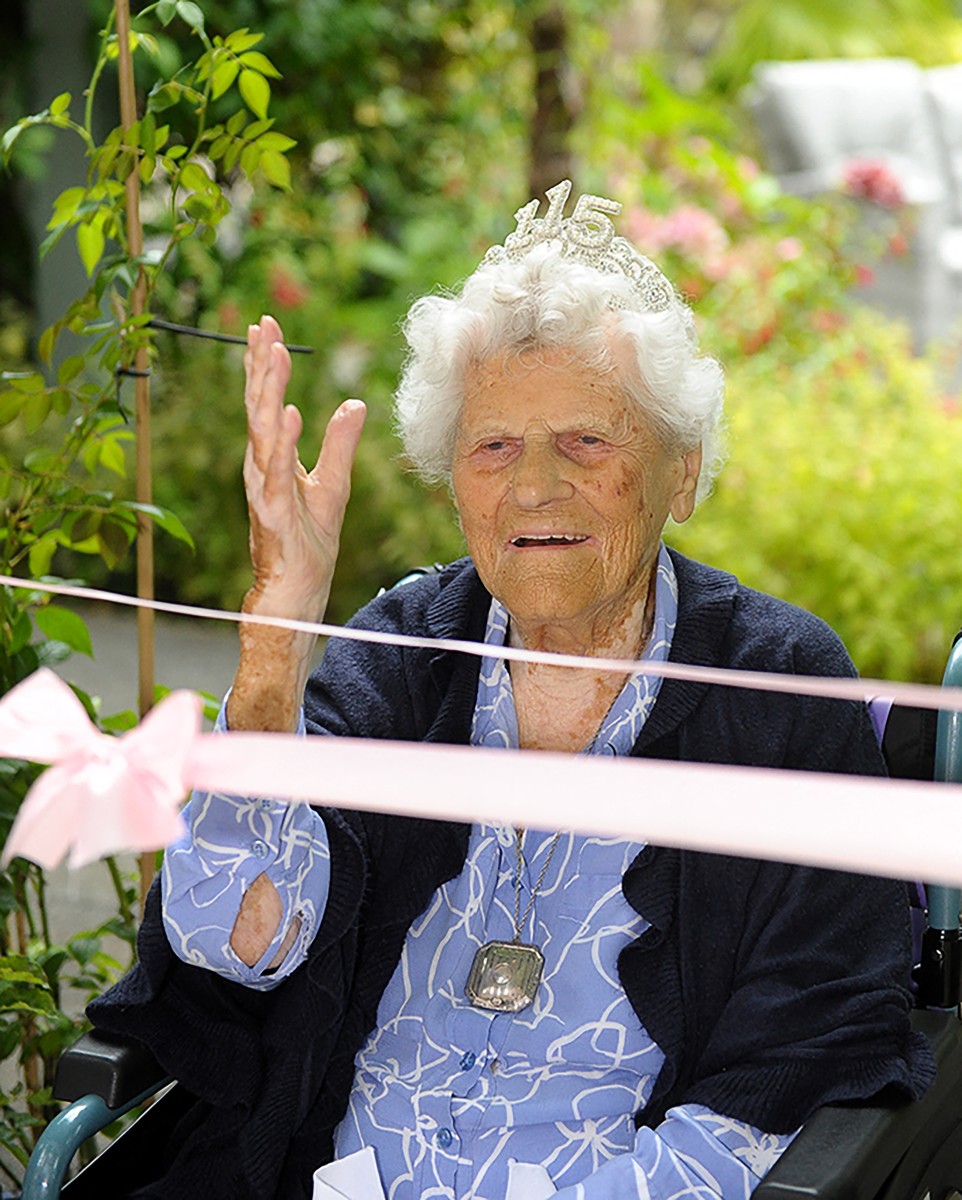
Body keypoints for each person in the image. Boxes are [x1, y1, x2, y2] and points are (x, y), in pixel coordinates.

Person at [91, 180, 933, 1200]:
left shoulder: (776, 687)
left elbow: (802, 1045)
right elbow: (240, 941)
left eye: (586, 440)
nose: (533, 485)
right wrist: (275, 644)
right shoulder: (400, 657)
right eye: (491, 447)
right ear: (452, 482)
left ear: (679, 470)